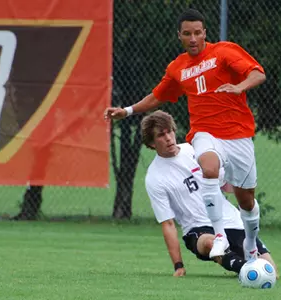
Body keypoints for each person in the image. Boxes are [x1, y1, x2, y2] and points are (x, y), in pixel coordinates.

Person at [104, 8, 267, 261]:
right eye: (187, 34)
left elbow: (258, 73)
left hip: (238, 136)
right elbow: (156, 97)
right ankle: (220, 236)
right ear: (179, 35)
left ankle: (251, 245)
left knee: (247, 202)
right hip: (205, 132)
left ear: (205, 33)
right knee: (209, 169)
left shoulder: (224, 51)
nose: (193, 39)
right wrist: (127, 111)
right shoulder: (177, 68)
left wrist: (239, 87)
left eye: (197, 33)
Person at [141, 111, 276, 277]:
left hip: (230, 220)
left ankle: (251, 269)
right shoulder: (155, 177)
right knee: (211, 243)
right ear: (151, 143)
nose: (168, 137)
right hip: (197, 229)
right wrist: (178, 265)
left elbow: (224, 183)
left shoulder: (193, 150)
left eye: (169, 131)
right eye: (161, 135)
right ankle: (245, 270)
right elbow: (168, 224)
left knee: (270, 271)